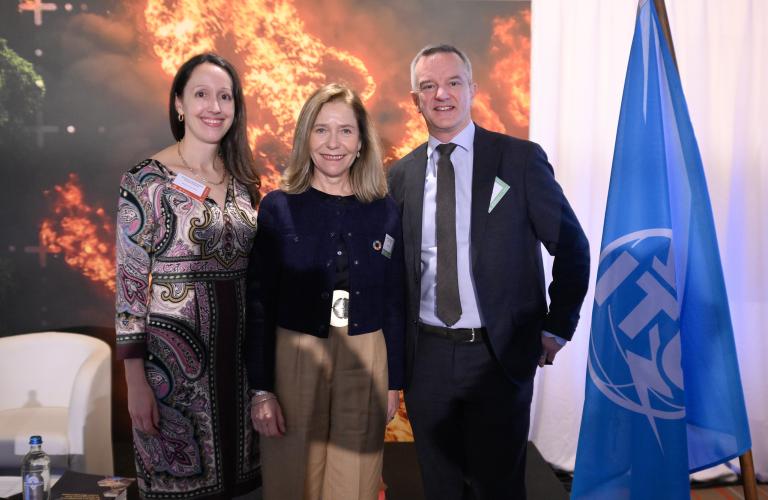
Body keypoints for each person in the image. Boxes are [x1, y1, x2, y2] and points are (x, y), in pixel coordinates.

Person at [387, 44, 590, 500]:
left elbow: (572, 246)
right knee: (439, 485)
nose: (442, 94)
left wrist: (558, 328)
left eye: (453, 82)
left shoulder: (518, 159)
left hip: (499, 358)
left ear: (472, 89)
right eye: (429, 86)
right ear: (414, 99)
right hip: (428, 362)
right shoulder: (399, 176)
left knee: (498, 487)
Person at [245, 83, 405, 500]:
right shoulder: (278, 207)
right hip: (295, 352)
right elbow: (259, 302)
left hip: (366, 353)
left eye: (345, 131)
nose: (333, 143)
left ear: (361, 143)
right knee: (292, 474)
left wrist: (394, 383)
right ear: (305, 138)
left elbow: (393, 298)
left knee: (357, 478)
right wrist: (261, 389)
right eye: (321, 130)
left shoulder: (384, 209)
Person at [115, 53, 261, 499]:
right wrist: (135, 383)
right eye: (201, 94)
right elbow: (129, 288)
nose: (214, 107)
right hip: (171, 377)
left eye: (225, 97)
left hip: (240, 370)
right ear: (179, 103)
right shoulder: (145, 181)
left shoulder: (244, 182)